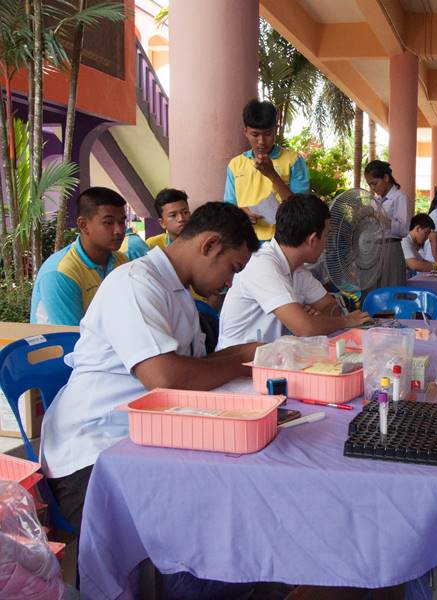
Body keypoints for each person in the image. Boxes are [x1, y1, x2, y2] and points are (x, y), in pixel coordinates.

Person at [40, 202, 262, 534]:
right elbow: (166, 379)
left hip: (141, 437)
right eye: (233, 268)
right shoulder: (135, 283)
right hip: (95, 452)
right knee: (189, 534)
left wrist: (250, 354)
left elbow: (190, 368)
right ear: (210, 245)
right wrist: (241, 364)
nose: (230, 282)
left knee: (233, 494)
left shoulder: (177, 291)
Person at [217, 194, 369, 348]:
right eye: (327, 236)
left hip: (273, 356)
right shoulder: (262, 264)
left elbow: (331, 306)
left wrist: (318, 320)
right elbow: (306, 329)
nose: (327, 244)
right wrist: (345, 321)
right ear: (312, 239)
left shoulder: (297, 269)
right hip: (240, 360)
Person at [30, 187, 128, 326]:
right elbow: (73, 335)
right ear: (83, 225)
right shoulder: (60, 273)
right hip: (66, 339)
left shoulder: (122, 262)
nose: (119, 230)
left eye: (122, 221)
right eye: (108, 222)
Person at [224, 99, 310, 242]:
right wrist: (241, 213)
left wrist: (272, 174)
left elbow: (301, 209)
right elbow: (228, 207)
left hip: (282, 242)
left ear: (275, 130)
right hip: (245, 241)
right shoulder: (235, 165)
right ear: (245, 132)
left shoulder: (293, 160)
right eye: (255, 134)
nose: (261, 141)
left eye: (267, 134)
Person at [364, 160, 409, 288]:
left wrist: (380, 216)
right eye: (370, 185)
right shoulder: (374, 201)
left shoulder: (400, 197)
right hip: (373, 249)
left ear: (386, 177)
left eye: (375, 183)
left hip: (391, 248)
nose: (373, 188)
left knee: (391, 287)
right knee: (373, 289)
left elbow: (403, 230)